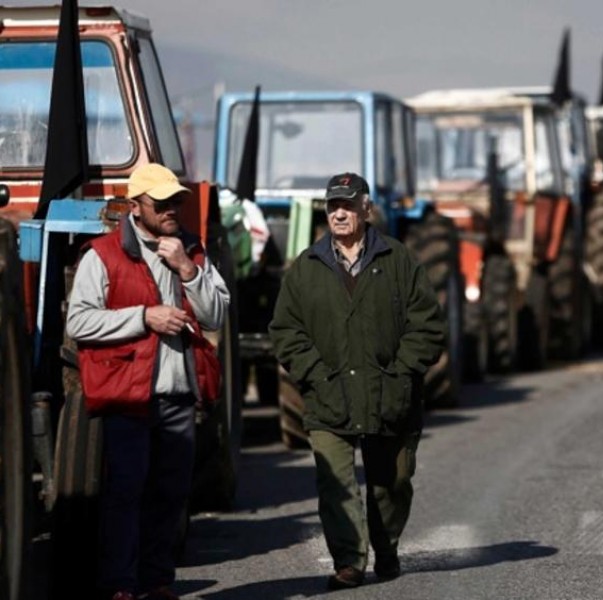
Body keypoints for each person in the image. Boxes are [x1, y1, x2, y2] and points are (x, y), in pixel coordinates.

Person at [269, 172, 445, 590]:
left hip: (390, 394)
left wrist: (402, 373)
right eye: (333, 207)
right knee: (336, 484)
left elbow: (428, 326)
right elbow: (285, 330)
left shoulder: (399, 260)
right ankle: (348, 561)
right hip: (329, 395)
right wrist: (314, 374)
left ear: (366, 209)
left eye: (348, 205)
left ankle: (386, 549)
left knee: (392, 481)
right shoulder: (305, 268)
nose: (340, 213)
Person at [66, 163, 231, 600]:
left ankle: (157, 582)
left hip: (178, 395)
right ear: (136, 206)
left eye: (175, 200)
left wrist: (187, 270)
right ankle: (119, 584)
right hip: (128, 397)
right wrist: (144, 317)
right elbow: (79, 321)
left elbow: (216, 315)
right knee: (125, 493)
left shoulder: (191, 251)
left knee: (170, 495)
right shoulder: (100, 254)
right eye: (161, 203)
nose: (171, 209)